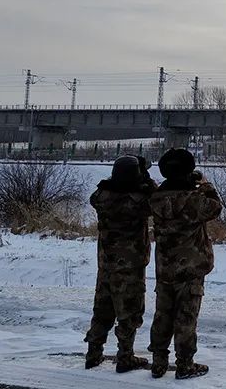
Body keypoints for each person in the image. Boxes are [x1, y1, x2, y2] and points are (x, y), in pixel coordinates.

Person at [148, 148, 222, 379]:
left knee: (162, 315)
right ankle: (185, 364)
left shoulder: (156, 199)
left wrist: (180, 182)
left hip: (164, 268)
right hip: (190, 268)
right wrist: (205, 185)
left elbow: (168, 192)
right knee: (186, 318)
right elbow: (215, 207)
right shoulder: (195, 201)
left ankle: (159, 362)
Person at [84, 155, 156, 372]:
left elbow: (95, 196)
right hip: (130, 266)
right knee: (130, 311)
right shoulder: (139, 201)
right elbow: (156, 199)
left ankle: (93, 353)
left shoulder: (102, 197)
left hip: (106, 263)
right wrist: (146, 178)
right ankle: (125, 356)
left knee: (102, 310)